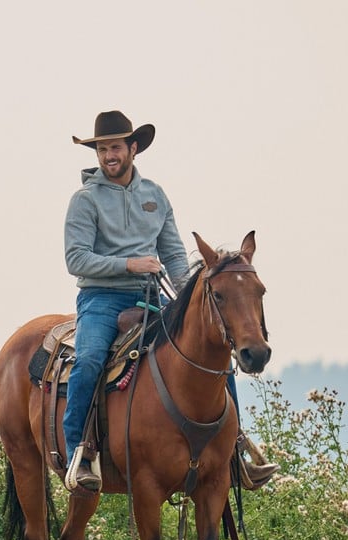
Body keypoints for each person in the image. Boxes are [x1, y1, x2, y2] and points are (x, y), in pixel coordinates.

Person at [63, 110, 278, 493]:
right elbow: (76, 259)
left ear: (133, 148)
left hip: (151, 297)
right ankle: (79, 453)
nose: (108, 155)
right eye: (102, 149)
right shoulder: (84, 200)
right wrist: (130, 263)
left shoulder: (155, 196)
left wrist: (190, 296)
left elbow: (176, 256)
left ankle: (236, 451)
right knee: (91, 358)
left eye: (115, 147)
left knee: (213, 354)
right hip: (100, 298)